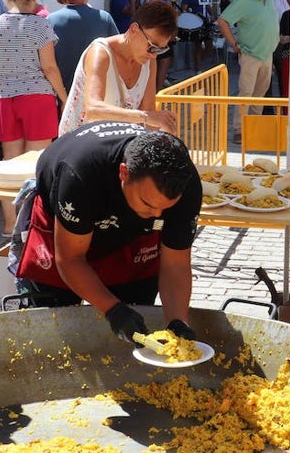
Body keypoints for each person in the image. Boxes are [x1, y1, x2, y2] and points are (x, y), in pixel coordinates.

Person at [14, 122, 201, 344]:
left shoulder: (186, 183)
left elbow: (175, 264)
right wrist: (113, 310)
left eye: (166, 208)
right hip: (65, 235)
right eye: (148, 204)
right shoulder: (80, 174)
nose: (157, 214)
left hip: (130, 241)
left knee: (134, 329)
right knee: (55, 336)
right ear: (124, 173)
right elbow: (71, 258)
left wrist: (177, 322)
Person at [0, 0, 69, 236]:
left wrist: (2, 92)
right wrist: (65, 97)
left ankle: (10, 225)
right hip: (37, 97)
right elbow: (50, 68)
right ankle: (33, 225)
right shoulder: (40, 25)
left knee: (9, 162)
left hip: (7, 98)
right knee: (37, 163)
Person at [59, 0, 178, 136]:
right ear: (134, 30)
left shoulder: (149, 61)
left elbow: (149, 116)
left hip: (112, 143)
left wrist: (165, 130)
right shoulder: (100, 53)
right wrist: (145, 117)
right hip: (78, 144)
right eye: (152, 47)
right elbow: (92, 110)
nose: (154, 55)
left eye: (159, 50)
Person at [217, 0, 279, 132]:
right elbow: (222, 21)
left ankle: (254, 126)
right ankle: (239, 129)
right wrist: (233, 44)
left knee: (260, 93)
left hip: (267, 54)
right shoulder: (244, 0)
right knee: (246, 92)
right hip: (250, 54)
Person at [48, 0, 119, 84]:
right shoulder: (105, 19)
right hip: (97, 92)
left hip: (62, 94)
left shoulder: (51, 21)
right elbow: (118, 55)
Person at [179, 0, 216, 65]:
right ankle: (198, 69)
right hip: (196, 24)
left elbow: (208, 6)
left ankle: (197, 62)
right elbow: (183, 9)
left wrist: (212, 15)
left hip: (206, 23)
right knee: (198, 47)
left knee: (209, 48)